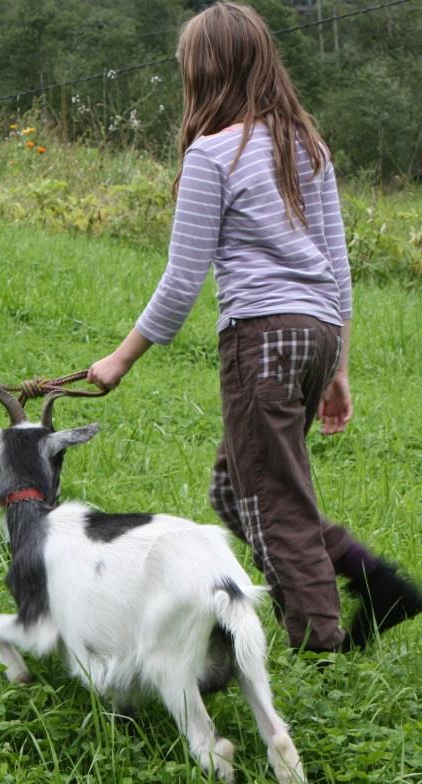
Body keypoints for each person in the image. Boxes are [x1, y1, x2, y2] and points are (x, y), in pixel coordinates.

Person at [88, 2, 420, 653]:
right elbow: (338, 267)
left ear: (204, 75)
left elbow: (183, 281)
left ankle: (318, 640)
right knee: (234, 488)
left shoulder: (212, 156)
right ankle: (373, 581)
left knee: (273, 504)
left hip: (261, 340)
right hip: (316, 335)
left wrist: (120, 360)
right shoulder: (308, 147)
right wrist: (339, 367)